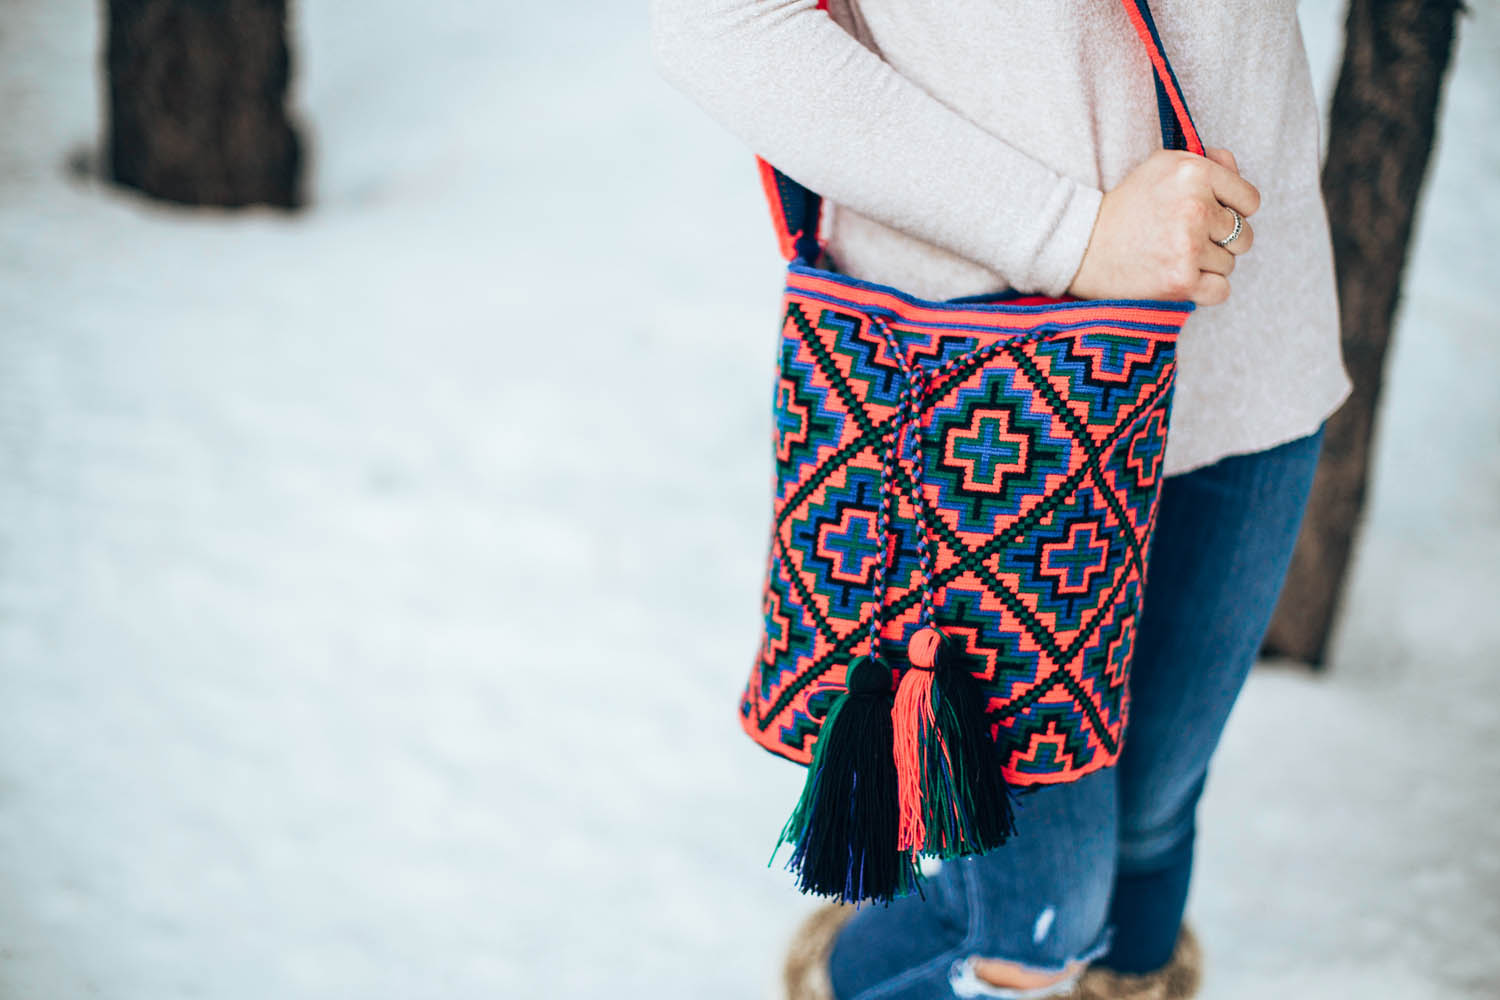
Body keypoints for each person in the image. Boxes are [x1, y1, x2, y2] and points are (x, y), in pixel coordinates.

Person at [650, 2, 1351, 998]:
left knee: (1152, 827)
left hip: (1249, 347)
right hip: (978, 390)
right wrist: (1072, 235)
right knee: (1033, 920)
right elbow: (717, 26)